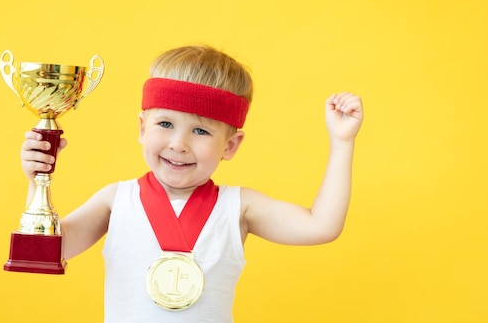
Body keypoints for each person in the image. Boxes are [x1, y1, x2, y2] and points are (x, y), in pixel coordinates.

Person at [20, 45, 364, 323]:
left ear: (230, 145)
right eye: (165, 123)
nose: (179, 144)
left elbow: (322, 226)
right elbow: (51, 250)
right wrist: (38, 181)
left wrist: (341, 142)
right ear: (142, 128)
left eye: (200, 131)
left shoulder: (239, 207)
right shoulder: (117, 200)